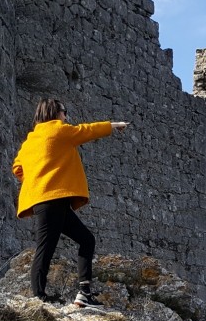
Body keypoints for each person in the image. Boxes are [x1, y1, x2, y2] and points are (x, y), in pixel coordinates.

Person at [12, 98, 129, 307]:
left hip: (47, 200)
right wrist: (113, 125)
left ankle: (84, 293)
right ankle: (38, 297)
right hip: (52, 200)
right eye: (64, 112)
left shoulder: (30, 141)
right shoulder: (59, 131)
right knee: (45, 248)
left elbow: (17, 168)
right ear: (55, 112)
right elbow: (86, 131)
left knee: (86, 239)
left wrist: (38, 178)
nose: (66, 116)